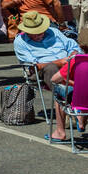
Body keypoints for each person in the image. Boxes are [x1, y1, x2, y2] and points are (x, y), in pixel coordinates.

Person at [13, 9, 80, 142]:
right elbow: (33, 66)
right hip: (41, 71)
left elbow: (72, 45)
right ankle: (71, 105)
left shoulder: (54, 32)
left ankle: (86, 106)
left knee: (87, 64)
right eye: (35, 33)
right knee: (51, 68)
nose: (39, 34)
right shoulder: (20, 41)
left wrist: (74, 53)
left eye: (41, 30)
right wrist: (60, 62)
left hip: (67, 66)